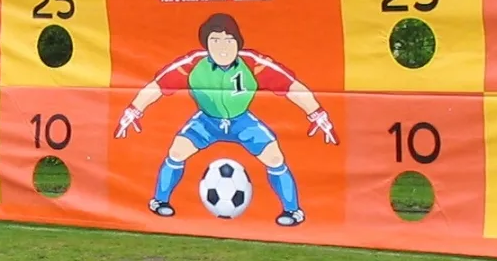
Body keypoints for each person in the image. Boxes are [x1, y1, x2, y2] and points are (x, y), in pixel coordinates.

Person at [115, 12, 337, 225]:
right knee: (177, 151)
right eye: (215, 40)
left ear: (238, 42)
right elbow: (158, 86)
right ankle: (160, 201)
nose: (222, 47)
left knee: (275, 157)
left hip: (242, 121)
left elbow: (292, 86)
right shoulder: (192, 64)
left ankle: (292, 210)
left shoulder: (253, 63)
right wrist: (134, 110)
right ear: (206, 44)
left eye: (229, 40)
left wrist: (317, 113)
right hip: (207, 121)